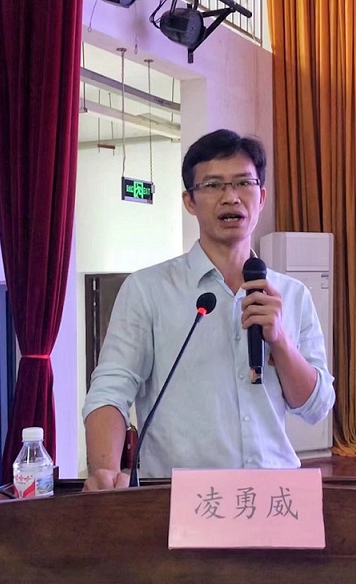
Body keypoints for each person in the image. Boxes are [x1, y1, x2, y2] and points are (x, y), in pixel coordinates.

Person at [82, 129, 335, 490]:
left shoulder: (292, 296)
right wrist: (105, 470)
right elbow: (111, 389)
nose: (231, 197)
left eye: (243, 183)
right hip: (182, 498)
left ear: (261, 197)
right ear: (190, 201)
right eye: (214, 185)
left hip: (275, 496)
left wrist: (280, 341)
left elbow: (316, 407)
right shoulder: (147, 290)